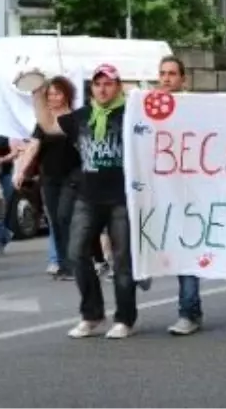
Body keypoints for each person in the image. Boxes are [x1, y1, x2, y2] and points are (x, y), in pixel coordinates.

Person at [32, 64, 137, 339]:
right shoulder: (82, 116)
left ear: (118, 87)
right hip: (88, 196)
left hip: (121, 197)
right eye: (98, 84)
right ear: (92, 88)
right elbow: (47, 126)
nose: (103, 89)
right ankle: (92, 314)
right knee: (76, 253)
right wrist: (36, 94)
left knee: (122, 260)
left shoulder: (131, 113)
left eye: (109, 84)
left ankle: (125, 318)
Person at [155, 56, 205, 336]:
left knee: (186, 251)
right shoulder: (146, 108)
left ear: (183, 79)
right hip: (155, 192)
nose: (166, 79)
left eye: (172, 74)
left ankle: (189, 312)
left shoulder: (194, 107)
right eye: (162, 73)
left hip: (188, 192)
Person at [16, 76, 81, 278]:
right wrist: (21, 170)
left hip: (72, 175)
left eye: (57, 93)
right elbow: (33, 146)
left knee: (64, 216)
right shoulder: (42, 122)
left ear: (67, 95)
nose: (53, 97)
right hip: (49, 177)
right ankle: (62, 263)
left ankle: (75, 263)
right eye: (50, 93)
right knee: (55, 220)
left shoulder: (74, 118)